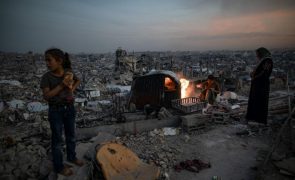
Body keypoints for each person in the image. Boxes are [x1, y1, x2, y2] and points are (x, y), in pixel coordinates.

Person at [40, 48, 83, 176]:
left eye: (49, 60)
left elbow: (77, 80)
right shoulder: (47, 77)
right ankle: (59, 166)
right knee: (57, 139)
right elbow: (47, 96)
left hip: (69, 108)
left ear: (59, 61)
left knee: (71, 136)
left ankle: (71, 157)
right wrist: (62, 86)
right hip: (55, 111)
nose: (47, 63)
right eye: (46, 60)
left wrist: (72, 90)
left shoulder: (68, 72)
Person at [246, 47, 273, 125]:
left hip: (261, 85)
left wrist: (254, 76)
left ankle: (259, 119)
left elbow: (264, 73)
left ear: (261, 53)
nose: (257, 55)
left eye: (257, 54)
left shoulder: (267, 60)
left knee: (259, 101)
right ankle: (253, 118)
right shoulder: (263, 60)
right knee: (254, 100)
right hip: (258, 84)